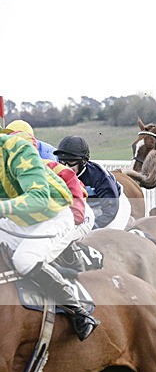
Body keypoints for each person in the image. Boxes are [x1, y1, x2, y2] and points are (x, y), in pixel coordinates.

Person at [0, 132, 98, 340]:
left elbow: (42, 200)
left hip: (61, 213)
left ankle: (78, 311)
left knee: (25, 260)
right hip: (28, 217)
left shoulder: (23, 155)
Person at [54, 136, 132, 230]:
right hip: (86, 207)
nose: (66, 167)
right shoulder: (56, 172)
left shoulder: (100, 176)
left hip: (113, 206)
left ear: (83, 161)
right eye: (62, 162)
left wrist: (90, 228)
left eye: (71, 162)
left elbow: (110, 212)